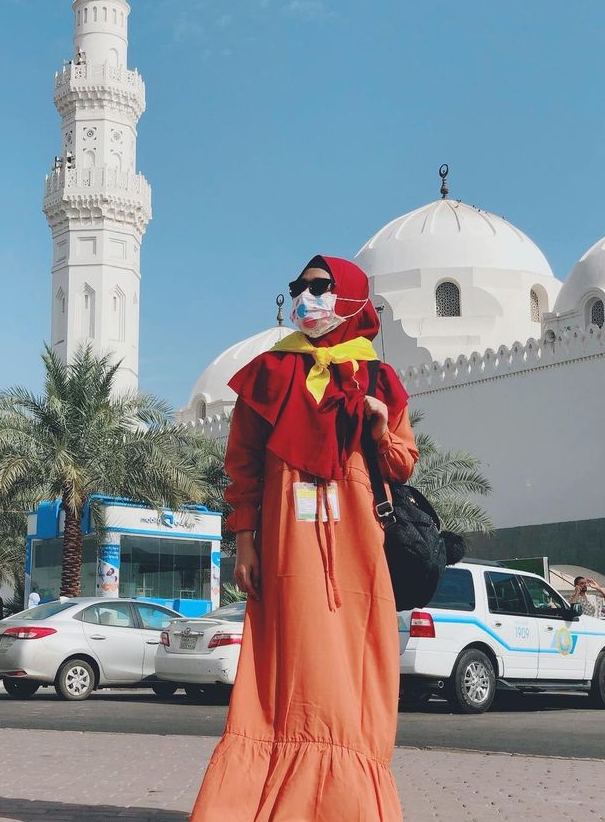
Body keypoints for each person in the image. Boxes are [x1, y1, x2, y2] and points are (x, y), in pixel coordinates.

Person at [190, 256, 419, 821]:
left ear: (353, 299)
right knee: (288, 662)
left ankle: (345, 803)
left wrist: (374, 423)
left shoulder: (379, 378)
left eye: (320, 288)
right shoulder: (271, 372)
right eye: (301, 288)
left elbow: (403, 462)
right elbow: (241, 463)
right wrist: (245, 541)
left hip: (357, 545)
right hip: (286, 545)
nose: (306, 299)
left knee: (357, 664)